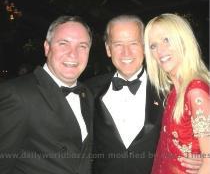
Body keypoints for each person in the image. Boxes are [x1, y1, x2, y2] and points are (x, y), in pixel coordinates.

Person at [85, 14, 202, 174]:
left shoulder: (170, 90)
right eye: (118, 44)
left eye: (134, 43)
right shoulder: (88, 91)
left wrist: (203, 155)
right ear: (108, 49)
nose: (126, 52)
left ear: (145, 47)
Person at [0, 16, 94, 174]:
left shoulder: (87, 93)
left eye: (82, 46)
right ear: (47, 47)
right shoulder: (16, 94)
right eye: (64, 43)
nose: (73, 54)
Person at [144, 13, 210, 174]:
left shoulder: (195, 92)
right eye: (153, 45)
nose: (160, 50)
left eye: (166, 40)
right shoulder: (175, 91)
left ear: (183, 41)